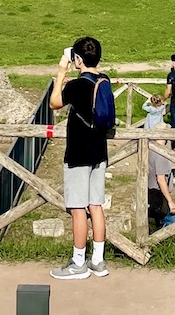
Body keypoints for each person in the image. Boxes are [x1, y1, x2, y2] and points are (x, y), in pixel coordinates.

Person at [49, 36, 111, 281]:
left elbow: (54, 103)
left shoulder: (78, 85)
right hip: (99, 151)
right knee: (95, 205)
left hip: (78, 153)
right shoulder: (103, 81)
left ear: (78, 59)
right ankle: (98, 260)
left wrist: (61, 71)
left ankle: (78, 263)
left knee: (77, 208)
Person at [147, 140, 175, 231]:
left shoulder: (150, 150)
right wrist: (170, 201)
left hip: (150, 191)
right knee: (170, 221)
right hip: (159, 193)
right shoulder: (160, 155)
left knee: (155, 221)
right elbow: (161, 179)